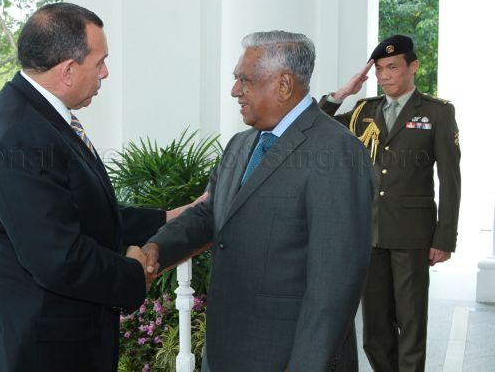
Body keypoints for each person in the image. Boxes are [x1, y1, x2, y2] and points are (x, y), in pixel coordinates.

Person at [0, 2, 200, 372]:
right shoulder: (20, 135)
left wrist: (171, 216)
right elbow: (59, 258)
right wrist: (135, 272)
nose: (105, 72)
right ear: (69, 70)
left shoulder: (37, 118)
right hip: (33, 352)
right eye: (100, 61)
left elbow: (80, 213)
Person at [142, 30, 375, 371]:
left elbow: (335, 283)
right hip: (227, 350)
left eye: (244, 80)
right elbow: (211, 213)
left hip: (285, 357)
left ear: (283, 84)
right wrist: (157, 248)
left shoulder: (336, 152)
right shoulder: (240, 144)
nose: (235, 90)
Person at [318, 34, 461, 372]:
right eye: (380, 69)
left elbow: (451, 180)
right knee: (374, 331)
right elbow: (317, 126)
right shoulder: (363, 112)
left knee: (411, 324)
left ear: (414, 66)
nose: (384, 76)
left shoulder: (436, 113)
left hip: (413, 234)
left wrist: (445, 238)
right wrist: (342, 94)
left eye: (393, 67)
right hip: (369, 234)